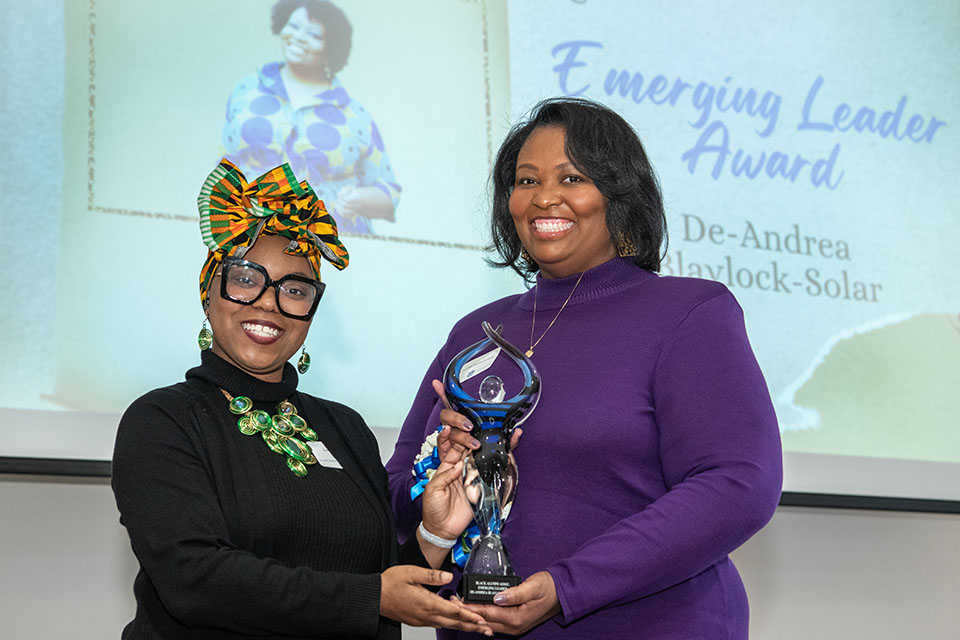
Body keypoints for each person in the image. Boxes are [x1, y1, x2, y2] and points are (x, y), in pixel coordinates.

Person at [386, 98, 783, 639]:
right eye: (526, 181)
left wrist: (567, 587)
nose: (544, 197)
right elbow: (395, 492)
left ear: (618, 195)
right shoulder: (474, 332)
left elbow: (738, 484)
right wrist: (432, 496)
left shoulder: (690, 313)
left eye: (571, 177)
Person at [111, 159, 490, 638]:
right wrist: (373, 596)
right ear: (209, 293)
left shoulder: (345, 428)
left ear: (311, 311)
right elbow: (195, 580)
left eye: (295, 289)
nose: (269, 302)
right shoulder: (163, 420)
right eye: (246, 279)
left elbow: (376, 587)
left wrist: (436, 533)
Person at [221, 0, 400, 235]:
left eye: (314, 34)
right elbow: (223, 165)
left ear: (331, 49)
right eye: (293, 26)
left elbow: (389, 193)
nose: (299, 37)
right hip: (248, 234)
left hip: (328, 244)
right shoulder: (246, 90)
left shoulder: (354, 115)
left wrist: (358, 199)